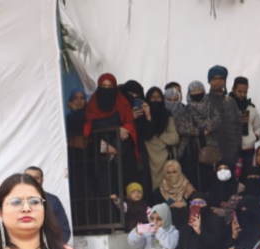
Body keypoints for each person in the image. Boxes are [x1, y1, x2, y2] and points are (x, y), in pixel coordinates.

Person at [83, 73, 139, 211]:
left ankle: (123, 220)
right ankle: (108, 220)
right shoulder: (93, 103)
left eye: (109, 86)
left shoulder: (122, 102)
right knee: (104, 187)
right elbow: (90, 126)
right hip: (100, 153)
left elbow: (129, 123)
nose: (107, 89)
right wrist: (115, 128)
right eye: (104, 86)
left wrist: (123, 131)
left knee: (120, 185)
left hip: (120, 153)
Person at [173, 81, 220, 191]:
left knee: (208, 176)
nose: (196, 93)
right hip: (189, 150)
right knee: (191, 177)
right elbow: (181, 127)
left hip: (209, 148)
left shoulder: (212, 108)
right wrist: (200, 131)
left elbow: (217, 121)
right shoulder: (184, 110)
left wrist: (207, 128)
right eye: (193, 91)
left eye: (199, 90)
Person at [143, 87, 180, 190]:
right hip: (149, 156)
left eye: (158, 97)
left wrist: (159, 136)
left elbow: (174, 138)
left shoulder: (167, 115)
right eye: (153, 97)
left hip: (165, 156)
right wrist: (148, 117)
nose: (155, 100)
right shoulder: (142, 116)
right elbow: (145, 134)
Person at [24, 166, 72, 243]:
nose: (32, 181)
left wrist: (53, 248)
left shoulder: (53, 201)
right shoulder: (14, 202)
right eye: (29, 178)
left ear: (42, 180)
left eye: (36, 178)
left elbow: (64, 231)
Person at [206, 65, 242, 166]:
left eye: (221, 79)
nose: (218, 82)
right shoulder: (204, 101)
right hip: (210, 152)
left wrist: (237, 146)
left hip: (230, 151)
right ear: (209, 81)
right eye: (214, 79)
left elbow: (238, 125)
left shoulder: (231, 101)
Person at [230, 76, 260, 170]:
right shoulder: (226, 106)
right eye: (239, 91)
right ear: (233, 89)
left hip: (248, 150)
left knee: (247, 177)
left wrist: (255, 137)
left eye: (245, 92)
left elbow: (259, 126)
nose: (242, 95)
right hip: (230, 149)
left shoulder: (251, 108)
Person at [152, 159, 196, 226]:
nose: (171, 175)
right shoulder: (159, 191)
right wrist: (168, 206)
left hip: (188, 225)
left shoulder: (188, 187)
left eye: (174, 172)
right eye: (168, 173)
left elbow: (198, 205)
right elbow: (154, 211)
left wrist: (185, 204)